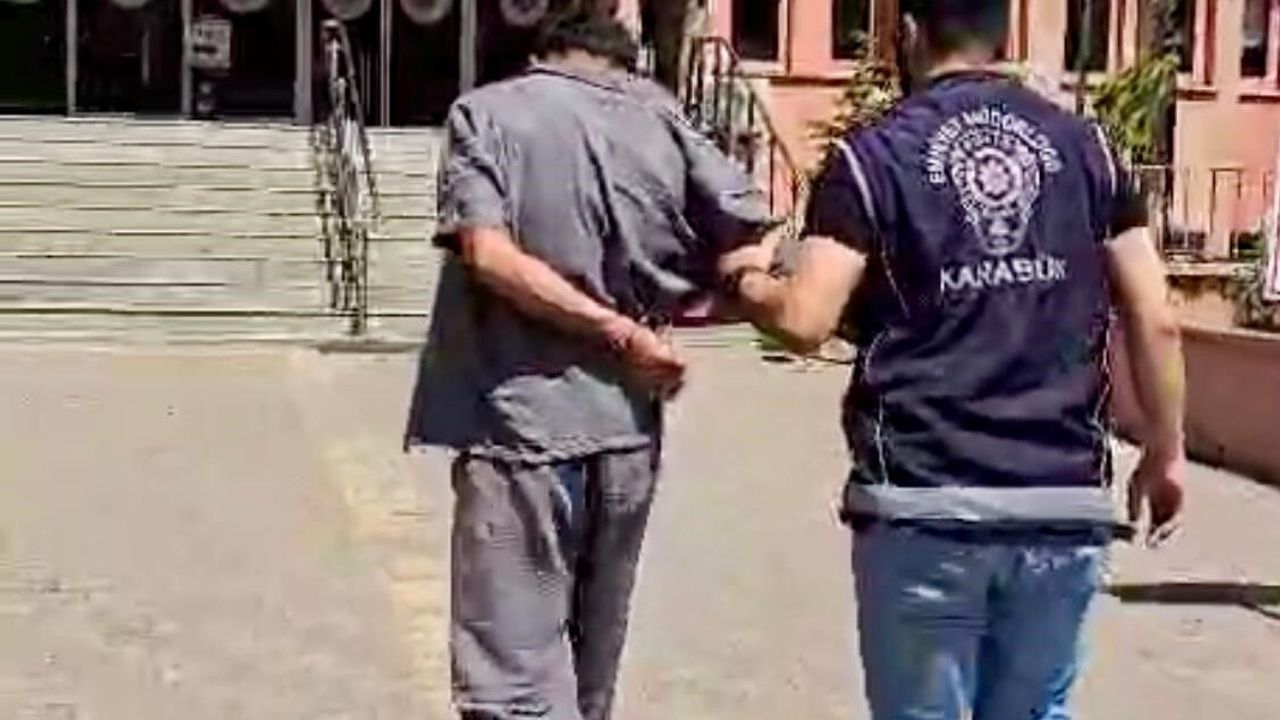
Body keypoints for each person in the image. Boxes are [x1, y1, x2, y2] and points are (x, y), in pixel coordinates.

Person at [718, 1, 1187, 718]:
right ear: (1004, 34)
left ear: (906, 33)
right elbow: (1156, 317)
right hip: (1060, 498)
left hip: (925, 499)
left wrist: (746, 277)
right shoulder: (1089, 148)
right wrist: (1165, 450)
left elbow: (805, 320)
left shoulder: (872, 159)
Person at [403, 10, 773, 720]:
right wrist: (691, 311)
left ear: (542, 54)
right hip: (627, 431)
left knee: (511, 679)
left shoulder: (488, 113)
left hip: (519, 428)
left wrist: (613, 330)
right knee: (590, 669)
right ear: (625, 61)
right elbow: (748, 236)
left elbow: (488, 253)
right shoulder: (664, 118)